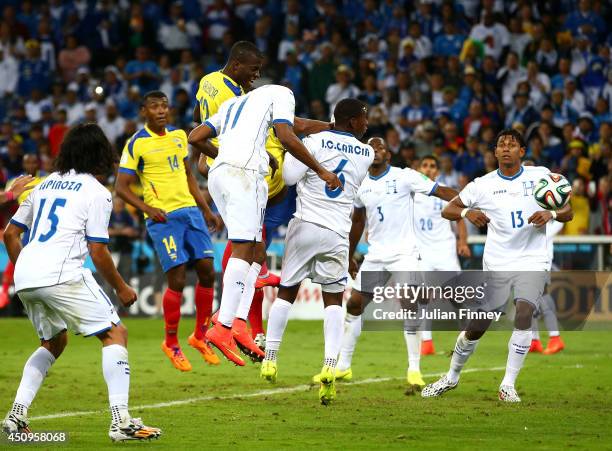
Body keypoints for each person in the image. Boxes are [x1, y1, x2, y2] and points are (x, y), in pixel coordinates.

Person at [1, 123, 160, 442]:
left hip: (27, 273)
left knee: (54, 342)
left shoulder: (44, 185)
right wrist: (122, 287)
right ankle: (121, 422)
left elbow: (9, 234)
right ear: (100, 153)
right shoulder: (97, 192)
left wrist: (28, 270)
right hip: (61, 273)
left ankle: (16, 417)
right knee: (115, 333)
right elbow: (98, 250)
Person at [188, 84, 341, 367]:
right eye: (254, 67)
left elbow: (195, 136)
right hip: (246, 175)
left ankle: (238, 324)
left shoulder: (234, 105)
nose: (256, 73)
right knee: (245, 251)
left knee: (255, 251)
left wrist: (219, 155)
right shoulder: (283, 94)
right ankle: (223, 325)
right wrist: (321, 170)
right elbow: (288, 132)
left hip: (220, 176)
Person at [422, 129, 573, 403]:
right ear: (494, 153)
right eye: (501, 144)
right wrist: (469, 212)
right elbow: (448, 210)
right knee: (480, 322)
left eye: (512, 144)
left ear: (522, 152)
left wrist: (550, 213)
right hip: (498, 261)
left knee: (525, 312)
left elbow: (568, 211)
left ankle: (508, 385)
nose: (506, 148)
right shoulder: (482, 184)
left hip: (532, 259)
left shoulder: (540, 176)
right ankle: (452, 376)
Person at [310, 139, 459, 396]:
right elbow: (358, 221)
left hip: (404, 253)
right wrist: (349, 254)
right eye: (371, 149)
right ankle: (344, 366)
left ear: (388, 154)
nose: (376, 152)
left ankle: (414, 369)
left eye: (380, 148)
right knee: (355, 304)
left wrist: (467, 201)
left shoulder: (405, 177)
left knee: (408, 302)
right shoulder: (361, 183)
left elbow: (438, 190)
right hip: (376, 255)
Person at [257, 99, 372, 405]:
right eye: (363, 119)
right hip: (337, 232)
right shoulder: (368, 153)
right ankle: (330, 365)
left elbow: (291, 178)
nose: (367, 124)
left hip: (305, 224)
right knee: (333, 299)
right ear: (350, 122)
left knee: (287, 292)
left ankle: (270, 357)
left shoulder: (313, 141)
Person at [115, 91, 222, 372]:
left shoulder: (178, 137)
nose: (161, 110)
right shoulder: (136, 144)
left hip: (190, 212)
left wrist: (206, 209)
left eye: (164, 106)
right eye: (154, 107)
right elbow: (121, 188)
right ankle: (171, 343)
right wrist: (147, 209)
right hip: (163, 218)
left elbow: (188, 175)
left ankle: (200, 336)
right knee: (176, 278)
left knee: (208, 270)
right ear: (144, 112)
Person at [414, 155, 471, 356]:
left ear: (437, 171)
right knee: (422, 296)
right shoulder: (412, 192)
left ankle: (465, 337)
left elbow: (460, 217)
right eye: (425, 165)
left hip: (445, 249)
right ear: (419, 168)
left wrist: (462, 241)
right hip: (422, 251)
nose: (428, 169)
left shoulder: (444, 191)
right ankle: (427, 343)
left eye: (432, 166)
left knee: (455, 296)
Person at [0, 155, 45, 309]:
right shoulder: (14, 182)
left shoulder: (45, 180)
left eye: (34, 161)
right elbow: (5, 206)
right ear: (23, 163)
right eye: (28, 161)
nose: (31, 164)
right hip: (25, 225)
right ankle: (5, 292)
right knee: (20, 258)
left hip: (42, 225)